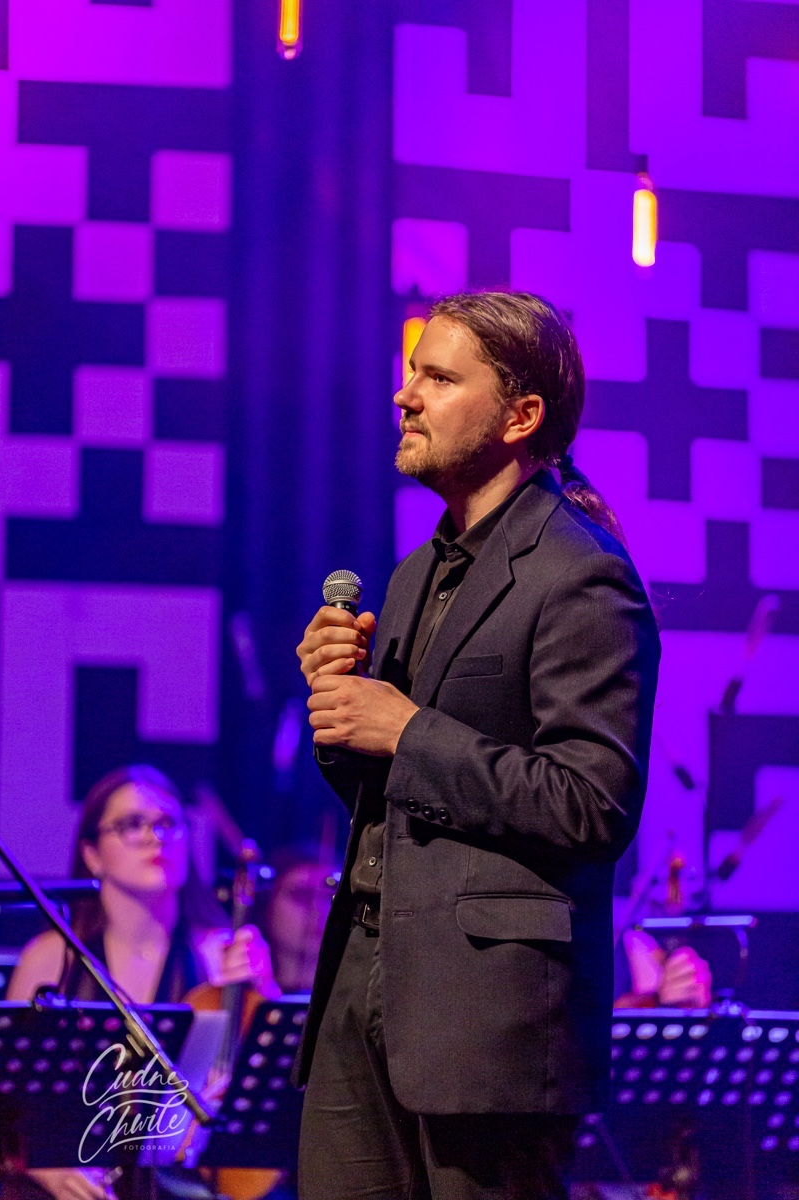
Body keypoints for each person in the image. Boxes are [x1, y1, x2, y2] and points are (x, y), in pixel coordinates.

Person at [295, 291, 661, 1199]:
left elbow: (593, 803)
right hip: (362, 978)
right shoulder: (414, 574)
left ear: (519, 416)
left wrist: (405, 729)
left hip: (488, 1012)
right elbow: (396, 799)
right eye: (411, 373)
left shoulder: (581, 573)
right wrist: (342, 714)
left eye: (438, 377)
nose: (405, 395)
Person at [7, 764, 279, 1200]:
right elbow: (11, 1103)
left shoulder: (220, 952)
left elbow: (268, 1090)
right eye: (132, 824)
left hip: (182, 1185)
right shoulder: (50, 957)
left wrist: (263, 991)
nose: (156, 837)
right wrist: (53, 1172)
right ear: (92, 854)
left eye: (168, 823)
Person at [258, 847, 338, 994]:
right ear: (267, 905)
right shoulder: (242, 997)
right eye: (301, 895)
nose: (319, 910)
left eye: (331, 897)